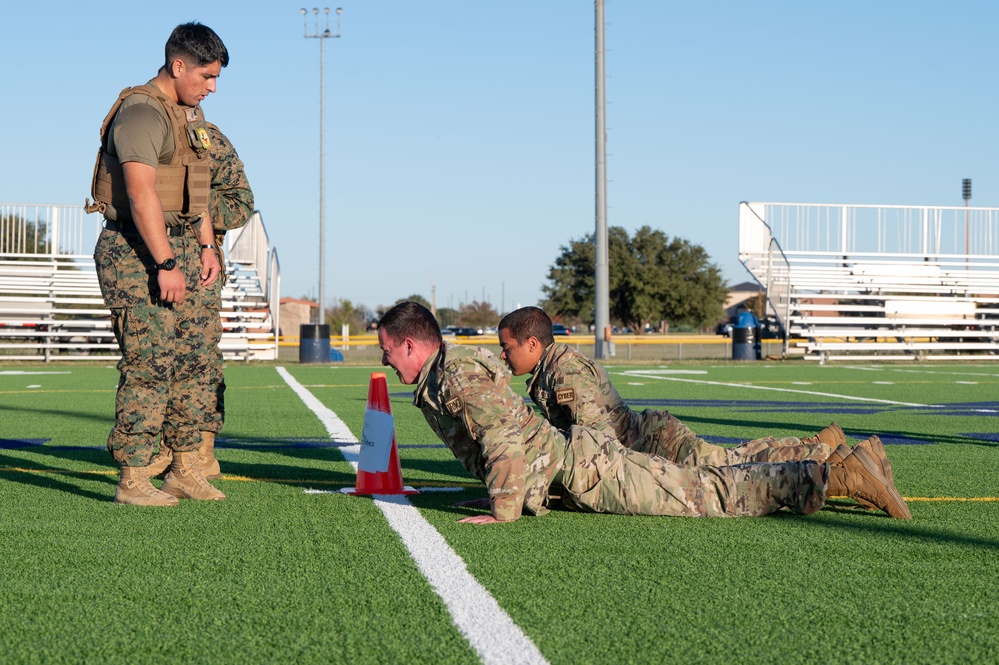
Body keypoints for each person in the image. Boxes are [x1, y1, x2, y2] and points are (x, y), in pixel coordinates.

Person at [377, 301, 911, 524]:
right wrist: (504, 491)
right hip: (585, 466)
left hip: (598, 465)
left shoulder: (460, 377)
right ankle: (838, 457)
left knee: (714, 490)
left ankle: (832, 473)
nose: (381, 358)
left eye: (384, 348)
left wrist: (504, 508)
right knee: (714, 476)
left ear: (407, 344)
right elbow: (511, 437)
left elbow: (506, 439)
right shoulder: (451, 370)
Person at [496, 305, 896, 511]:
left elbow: (596, 440)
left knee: (728, 463)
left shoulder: (565, 372)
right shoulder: (550, 369)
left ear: (533, 345)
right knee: (731, 459)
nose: (502, 354)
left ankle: (833, 460)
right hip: (647, 440)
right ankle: (822, 446)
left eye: (507, 346)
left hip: (651, 444)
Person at [88, 22, 230, 506]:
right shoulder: (143, 113)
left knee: (192, 362)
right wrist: (166, 261)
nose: (212, 87)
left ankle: (186, 468)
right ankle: (132, 478)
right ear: (178, 66)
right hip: (136, 251)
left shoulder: (189, 116)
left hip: (186, 250)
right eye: (206, 76)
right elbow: (141, 191)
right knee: (149, 365)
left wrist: (208, 248)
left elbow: (198, 193)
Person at [144, 121, 255, 480]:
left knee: (200, 361)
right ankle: (164, 446)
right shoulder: (145, 131)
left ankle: (200, 451)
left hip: (198, 268)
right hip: (148, 261)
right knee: (154, 359)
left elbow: (241, 205)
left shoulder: (208, 138)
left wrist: (188, 198)